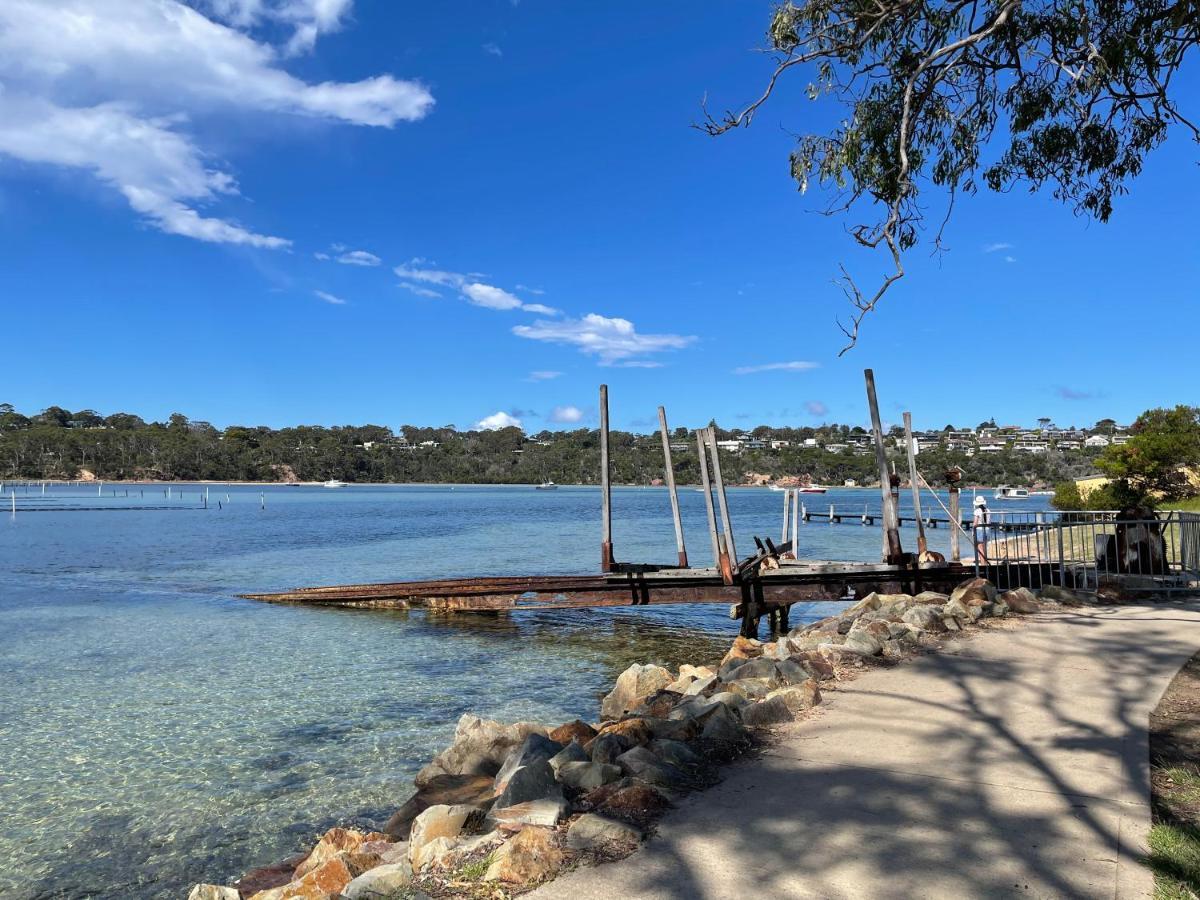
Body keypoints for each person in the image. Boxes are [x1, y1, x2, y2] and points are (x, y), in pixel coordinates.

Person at [972, 495, 990, 564]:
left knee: (980, 548)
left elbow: (975, 522)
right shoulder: (988, 510)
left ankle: (983, 564)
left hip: (979, 530)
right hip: (987, 530)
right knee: (984, 548)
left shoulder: (977, 511)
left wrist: (973, 531)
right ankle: (985, 562)